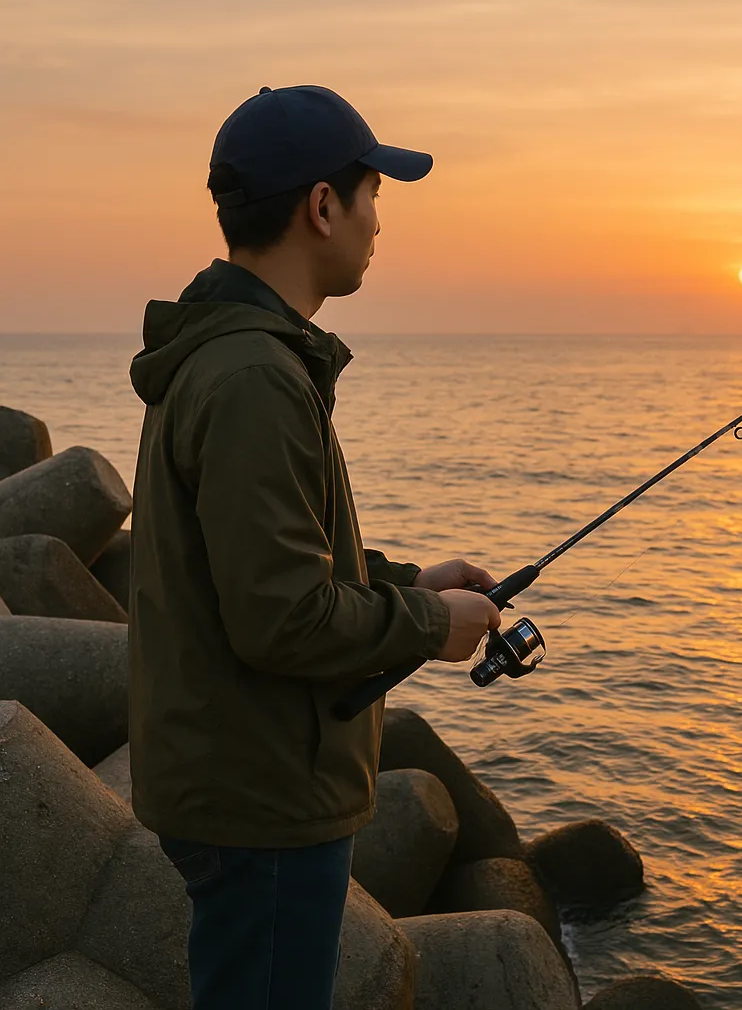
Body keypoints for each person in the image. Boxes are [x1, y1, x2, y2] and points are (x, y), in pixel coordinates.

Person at [126, 84, 502, 1010]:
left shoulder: (230, 354)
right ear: (322, 206)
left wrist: (412, 581)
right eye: (372, 194)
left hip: (238, 778)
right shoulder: (255, 375)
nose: (379, 222)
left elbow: (261, 569)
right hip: (263, 800)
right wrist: (427, 625)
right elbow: (282, 618)